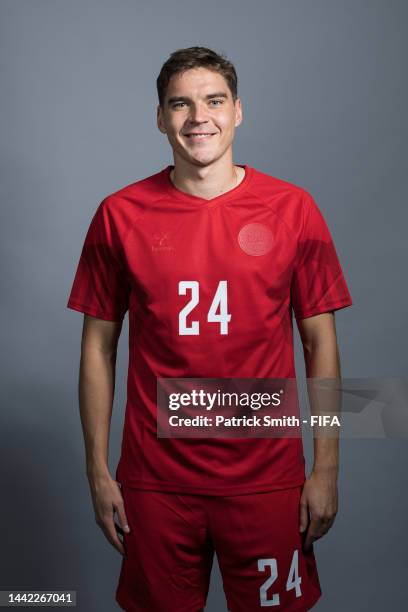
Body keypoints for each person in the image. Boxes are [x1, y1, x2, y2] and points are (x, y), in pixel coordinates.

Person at [67, 46, 353, 611]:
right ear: (160, 117)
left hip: (268, 479)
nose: (199, 117)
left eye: (214, 101)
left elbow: (321, 344)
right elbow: (98, 348)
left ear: (238, 111)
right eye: (181, 104)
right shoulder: (118, 214)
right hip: (155, 481)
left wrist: (327, 466)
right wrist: (98, 472)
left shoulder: (294, 209)